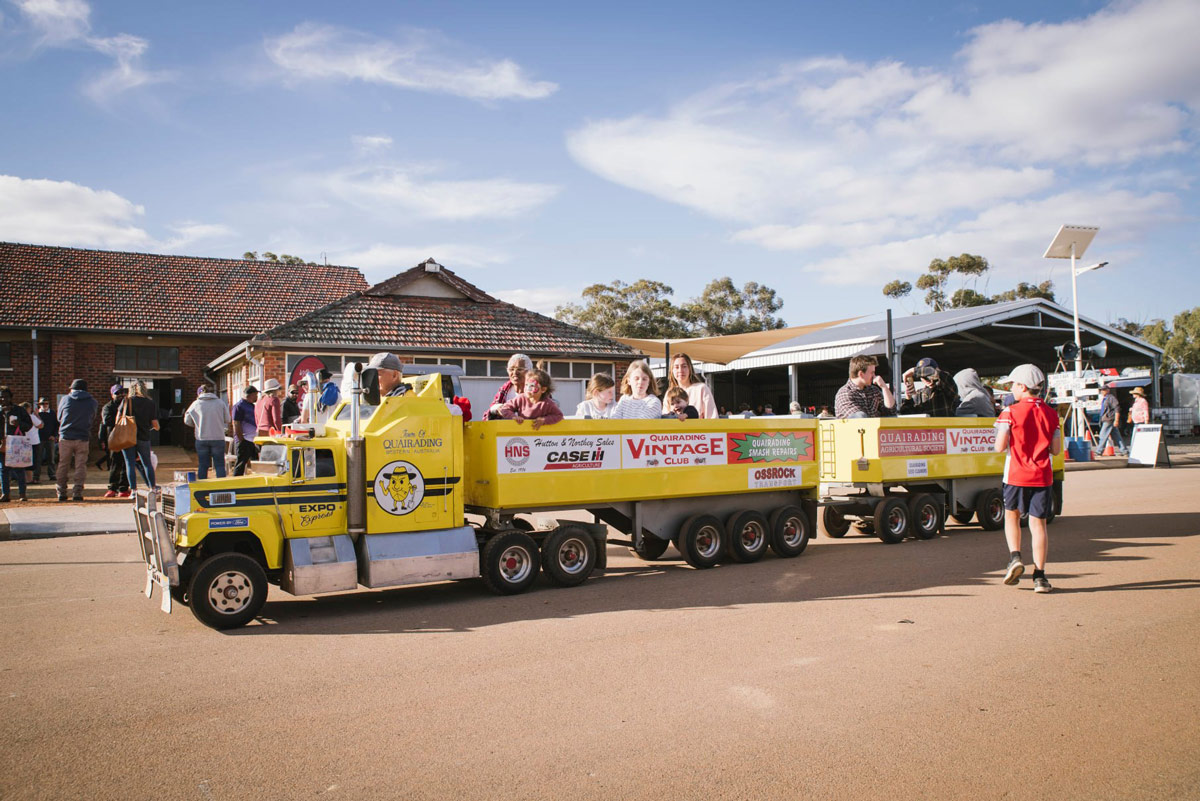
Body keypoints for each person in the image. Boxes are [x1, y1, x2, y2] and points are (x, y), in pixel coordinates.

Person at [994, 363, 1061, 594]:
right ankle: (1040, 577)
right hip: (1043, 475)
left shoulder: (1009, 412)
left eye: (1013, 384)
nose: (1011, 389)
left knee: (1011, 516)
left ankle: (1015, 558)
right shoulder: (1052, 414)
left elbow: (1000, 446)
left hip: (1016, 473)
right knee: (1038, 524)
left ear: (1022, 386)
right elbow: (1056, 449)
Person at [55, 378, 98, 502]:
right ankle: (77, 492)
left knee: (63, 464)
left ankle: (61, 492)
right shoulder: (92, 402)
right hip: (83, 437)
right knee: (80, 465)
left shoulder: (65, 399)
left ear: (72, 388)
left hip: (66, 437)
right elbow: (93, 417)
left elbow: (59, 418)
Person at [185, 384, 231, 479]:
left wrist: (197, 424)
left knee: (203, 465)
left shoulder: (195, 404)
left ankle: (203, 488)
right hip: (218, 437)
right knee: (219, 465)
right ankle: (221, 487)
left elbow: (187, 421)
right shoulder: (220, 403)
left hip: (201, 438)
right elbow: (228, 419)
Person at [495, 368, 564, 430]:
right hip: (523, 432)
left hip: (540, 435)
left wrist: (544, 420)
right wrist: (514, 417)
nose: (527, 389)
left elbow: (559, 415)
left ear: (543, 389)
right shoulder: (520, 398)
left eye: (532, 386)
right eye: (526, 385)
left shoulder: (548, 403)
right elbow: (504, 409)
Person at [122, 381, 158, 492]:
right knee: (147, 463)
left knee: (130, 464)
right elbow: (155, 423)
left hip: (128, 437)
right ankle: (152, 488)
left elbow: (119, 418)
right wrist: (155, 428)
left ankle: (133, 490)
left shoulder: (127, 401)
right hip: (144, 436)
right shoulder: (150, 403)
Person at [1, 387, 33, 502]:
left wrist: (19, 424)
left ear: (11, 397)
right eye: (1, 397)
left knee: (19, 469)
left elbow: (29, 425)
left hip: (16, 443)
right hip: (2, 444)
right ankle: (5, 494)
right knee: (3, 469)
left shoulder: (19, 410)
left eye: (6, 396)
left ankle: (22, 494)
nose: (3, 399)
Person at [662, 353, 718, 419]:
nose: (680, 370)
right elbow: (665, 417)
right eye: (676, 367)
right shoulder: (669, 393)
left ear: (690, 368)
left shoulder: (702, 389)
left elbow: (712, 417)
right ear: (672, 371)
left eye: (684, 366)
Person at [99, 385, 131, 498]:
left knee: (126, 464)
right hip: (115, 439)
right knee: (115, 464)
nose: (121, 395)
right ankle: (112, 488)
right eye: (118, 393)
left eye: (123, 392)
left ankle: (123, 488)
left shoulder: (129, 405)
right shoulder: (108, 407)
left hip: (127, 438)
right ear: (112, 394)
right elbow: (107, 421)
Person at [485, 354, 533, 420]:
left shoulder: (537, 391)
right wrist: (497, 408)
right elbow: (491, 411)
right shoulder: (504, 391)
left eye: (519, 369)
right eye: (511, 369)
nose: (515, 372)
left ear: (529, 371)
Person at [232, 386, 259, 476]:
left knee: (256, 463)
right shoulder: (238, 406)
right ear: (251, 395)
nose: (257, 397)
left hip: (253, 440)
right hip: (244, 440)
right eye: (256, 395)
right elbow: (236, 423)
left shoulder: (252, 406)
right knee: (241, 464)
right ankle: (236, 483)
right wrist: (241, 439)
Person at [1093, 384, 1126, 456]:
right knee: (1116, 436)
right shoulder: (1105, 398)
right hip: (1106, 419)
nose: (1102, 391)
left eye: (1104, 390)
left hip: (1109, 419)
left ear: (1108, 390)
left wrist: (1116, 420)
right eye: (1101, 390)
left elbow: (1117, 409)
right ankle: (1124, 451)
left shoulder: (1111, 398)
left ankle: (1099, 451)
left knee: (1102, 435)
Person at [36, 397, 58, 481]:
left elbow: (56, 425)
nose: (44, 405)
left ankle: (52, 474)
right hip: (39, 438)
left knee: (51, 458)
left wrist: (54, 435)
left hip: (50, 438)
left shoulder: (52, 413)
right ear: (39, 405)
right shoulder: (37, 413)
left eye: (46, 403)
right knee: (38, 458)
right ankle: (36, 475)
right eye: (42, 404)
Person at [21, 402, 42, 484]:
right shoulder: (31, 417)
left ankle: (25, 478)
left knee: (23, 460)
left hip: (22, 441)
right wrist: (37, 415)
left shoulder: (20, 417)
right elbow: (41, 425)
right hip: (33, 441)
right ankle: (29, 479)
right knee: (32, 461)